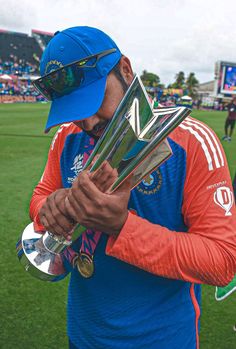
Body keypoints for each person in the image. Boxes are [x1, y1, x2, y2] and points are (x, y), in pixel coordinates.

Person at [30, 26, 236, 349]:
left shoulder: (192, 143)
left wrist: (122, 228)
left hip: (165, 340)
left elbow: (222, 261)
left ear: (126, 69)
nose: (87, 122)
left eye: (96, 100)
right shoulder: (66, 138)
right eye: (74, 109)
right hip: (84, 336)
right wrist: (53, 206)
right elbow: (41, 198)